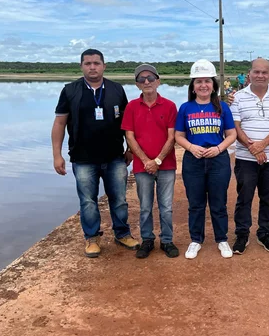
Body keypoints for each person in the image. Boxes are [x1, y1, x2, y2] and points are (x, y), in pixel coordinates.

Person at [52, 48, 139, 258]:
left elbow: (128, 124)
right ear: (81, 66)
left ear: (104, 66)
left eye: (96, 63)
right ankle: (92, 238)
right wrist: (57, 155)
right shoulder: (70, 90)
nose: (92, 67)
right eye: (88, 63)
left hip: (115, 156)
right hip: (82, 158)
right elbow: (60, 123)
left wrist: (130, 149)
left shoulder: (117, 89)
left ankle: (122, 233)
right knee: (88, 201)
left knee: (119, 198)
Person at [174, 59, 237, 259]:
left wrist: (219, 149)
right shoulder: (185, 108)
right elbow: (178, 136)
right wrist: (192, 147)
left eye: (207, 81)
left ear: (213, 85)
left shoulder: (222, 107)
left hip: (218, 160)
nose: (203, 85)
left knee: (219, 203)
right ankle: (196, 240)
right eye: (198, 81)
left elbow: (232, 134)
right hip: (194, 160)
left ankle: (222, 239)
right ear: (193, 86)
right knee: (196, 203)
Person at [230, 58, 269, 254]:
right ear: (250, 73)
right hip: (245, 158)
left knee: (268, 198)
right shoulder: (238, 97)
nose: (260, 75)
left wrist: (262, 145)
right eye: (256, 72)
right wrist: (253, 148)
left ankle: (264, 233)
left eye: (264, 72)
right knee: (244, 197)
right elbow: (235, 128)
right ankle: (242, 234)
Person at [122, 64, 179, 259]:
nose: (146, 82)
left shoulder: (170, 106)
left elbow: (172, 137)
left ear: (158, 81)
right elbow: (129, 136)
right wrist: (147, 161)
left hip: (166, 165)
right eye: (141, 79)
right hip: (141, 166)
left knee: (166, 206)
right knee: (145, 206)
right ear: (137, 85)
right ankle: (147, 239)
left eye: (150, 78)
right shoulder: (131, 107)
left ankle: (167, 240)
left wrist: (158, 160)